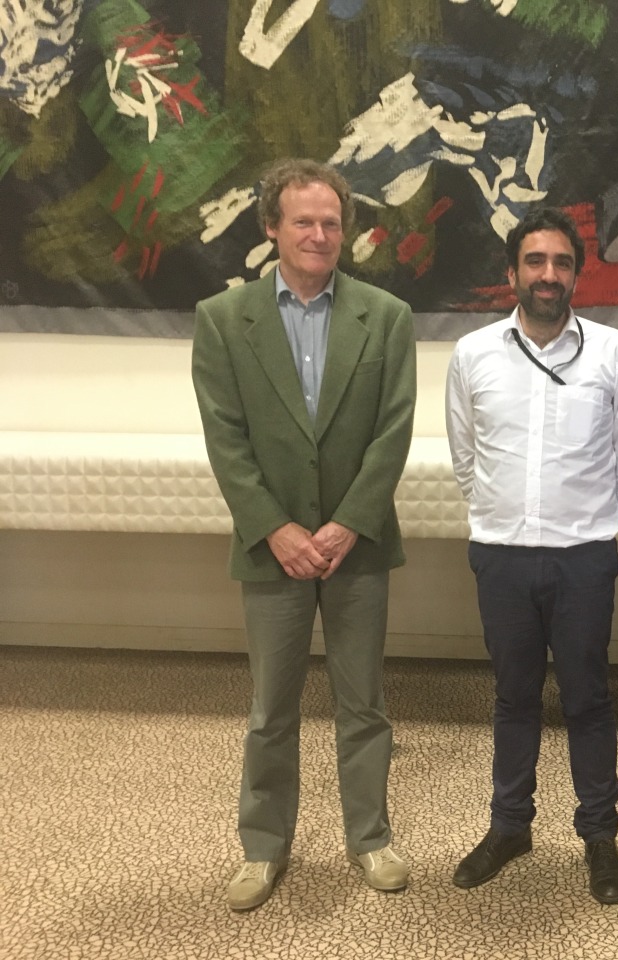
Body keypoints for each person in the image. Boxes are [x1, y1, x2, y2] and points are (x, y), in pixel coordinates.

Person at [192, 159, 417, 910]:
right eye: (303, 221)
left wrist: (349, 522)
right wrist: (278, 529)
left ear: (345, 230)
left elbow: (392, 434)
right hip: (272, 550)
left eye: (331, 222)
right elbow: (227, 442)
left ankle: (371, 838)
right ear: (271, 228)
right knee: (271, 708)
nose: (319, 234)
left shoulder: (385, 316)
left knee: (364, 705)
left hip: (358, 547)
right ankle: (263, 848)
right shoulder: (224, 320)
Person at [445, 207, 618, 905]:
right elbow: (465, 457)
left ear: (577, 275)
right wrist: (504, 515)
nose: (549, 275)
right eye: (535, 262)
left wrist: (584, 524)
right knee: (512, 696)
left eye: (562, 263)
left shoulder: (616, 354)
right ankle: (509, 825)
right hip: (501, 556)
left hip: (583, 557)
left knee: (588, 697)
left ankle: (599, 833)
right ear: (512, 274)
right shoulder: (473, 354)